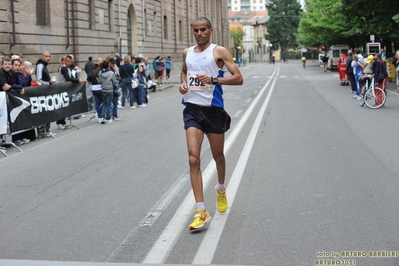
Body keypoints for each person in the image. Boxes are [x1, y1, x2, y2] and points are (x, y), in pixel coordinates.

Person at [179, 17, 243, 231]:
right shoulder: (187, 53)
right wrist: (182, 84)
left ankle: (221, 189)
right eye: (196, 30)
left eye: (203, 29)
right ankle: (200, 210)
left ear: (211, 30)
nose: (199, 33)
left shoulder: (219, 52)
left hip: (214, 111)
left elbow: (238, 78)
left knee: (218, 156)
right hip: (192, 110)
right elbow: (184, 72)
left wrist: (214, 80)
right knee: (193, 158)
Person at [56, 54, 84, 129]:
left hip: (66, 89)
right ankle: (59, 122)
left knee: (66, 106)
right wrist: (78, 80)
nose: (69, 63)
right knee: (63, 106)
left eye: (70, 61)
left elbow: (71, 77)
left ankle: (63, 121)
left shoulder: (68, 68)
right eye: (68, 61)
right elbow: (68, 78)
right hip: (62, 89)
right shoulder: (63, 68)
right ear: (64, 61)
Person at [35, 51, 56, 137]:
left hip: (46, 91)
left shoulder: (44, 65)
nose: (48, 58)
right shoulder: (40, 65)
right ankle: (42, 131)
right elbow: (39, 80)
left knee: (48, 111)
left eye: (49, 56)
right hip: (42, 92)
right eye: (46, 56)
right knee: (44, 111)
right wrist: (49, 83)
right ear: (42, 57)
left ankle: (46, 129)